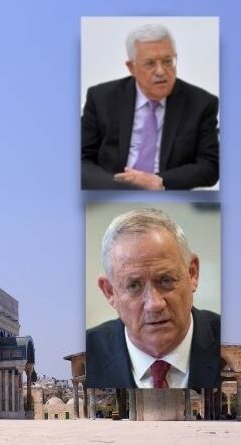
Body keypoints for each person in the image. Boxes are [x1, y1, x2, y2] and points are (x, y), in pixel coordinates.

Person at [86, 209, 220, 388]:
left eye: (166, 280)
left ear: (192, 274)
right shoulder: (87, 354)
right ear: (110, 292)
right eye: (134, 286)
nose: (154, 304)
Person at [81, 24, 219, 190]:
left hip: (168, 196)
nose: (161, 71)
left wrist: (160, 181)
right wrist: (116, 186)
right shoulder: (101, 98)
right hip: (110, 193)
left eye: (168, 61)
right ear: (131, 67)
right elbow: (81, 159)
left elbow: (210, 167)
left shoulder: (201, 104)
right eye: (150, 64)